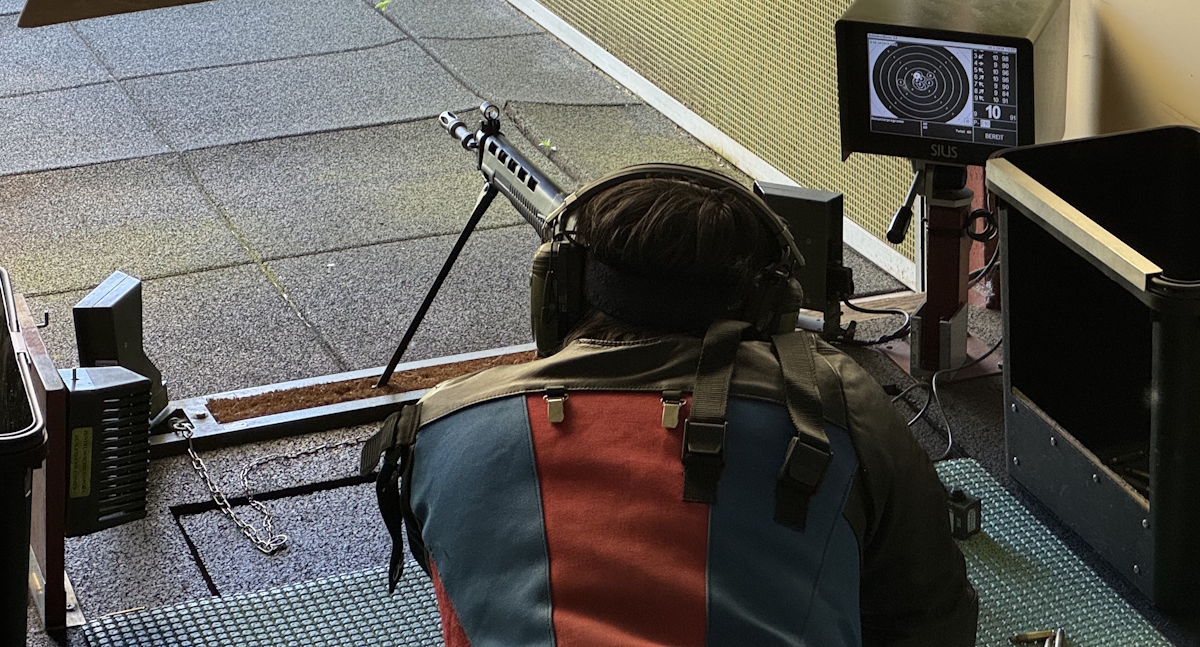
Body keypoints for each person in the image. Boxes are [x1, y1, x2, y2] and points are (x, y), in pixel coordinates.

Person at [365, 164, 978, 646]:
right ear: (775, 312)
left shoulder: (434, 429)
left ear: (557, 291)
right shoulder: (840, 407)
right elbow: (933, 620)